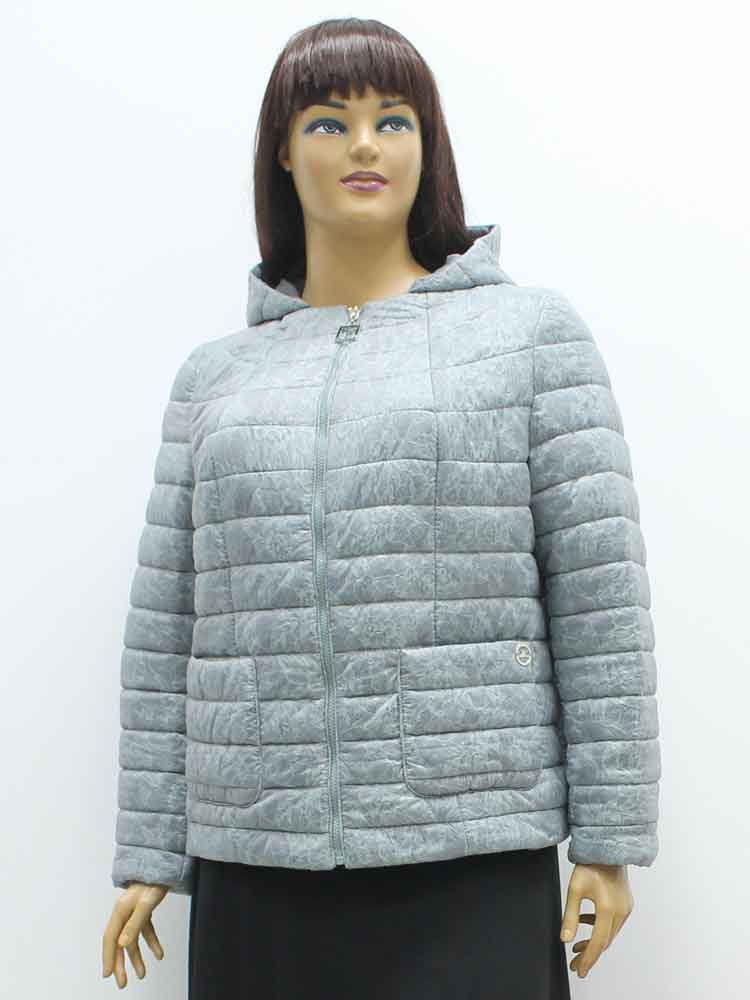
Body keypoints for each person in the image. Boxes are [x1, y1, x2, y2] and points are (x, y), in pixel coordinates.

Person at [102, 16, 661, 998]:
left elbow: (599, 598)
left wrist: (609, 839)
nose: (364, 144)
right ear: (284, 151)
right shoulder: (214, 378)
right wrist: (151, 846)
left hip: (472, 853)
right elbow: (167, 626)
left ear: (426, 143)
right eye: (329, 121)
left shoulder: (529, 336)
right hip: (256, 857)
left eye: (393, 120)